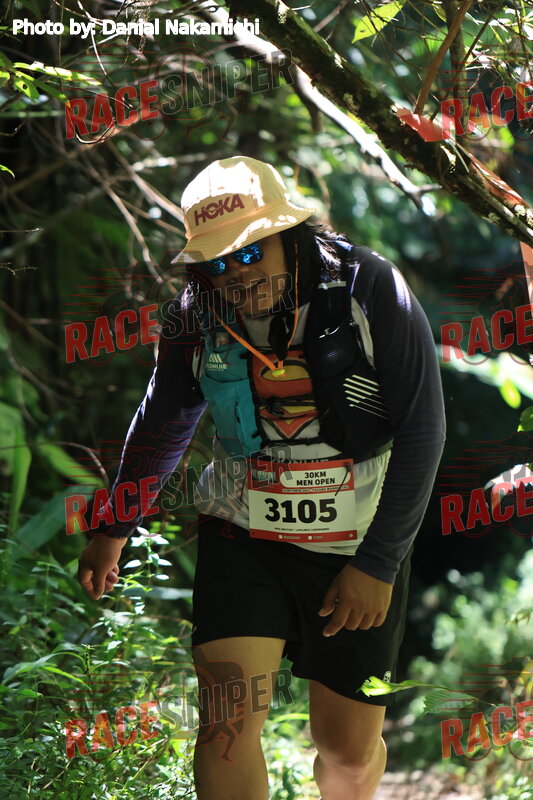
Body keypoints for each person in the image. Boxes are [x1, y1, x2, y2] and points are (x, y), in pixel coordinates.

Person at [77, 156, 446, 800]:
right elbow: (163, 422)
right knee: (225, 724)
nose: (237, 273)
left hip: (355, 543)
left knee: (347, 750)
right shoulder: (195, 316)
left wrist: (380, 562)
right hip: (242, 532)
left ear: (290, 235)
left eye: (251, 252)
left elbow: (424, 429)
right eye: (217, 263)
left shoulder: (370, 289)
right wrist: (115, 526)